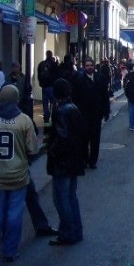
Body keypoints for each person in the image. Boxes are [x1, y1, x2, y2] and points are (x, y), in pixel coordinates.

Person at [0, 85, 38, 262]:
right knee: (14, 213)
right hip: (18, 175)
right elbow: (33, 150)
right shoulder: (24, 120)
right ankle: (10, 250)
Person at [46, 78, 85, 246]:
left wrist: (52, 151)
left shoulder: (61, 110)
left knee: (61, 198)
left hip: (63, 162)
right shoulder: (73, 108)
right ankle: (75, 230)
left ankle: (67, 232)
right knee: (71, 197)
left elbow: (63, 138)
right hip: (74, 159)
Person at [72, 57, 110, 169]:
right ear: (84, 67)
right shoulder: (79, 79)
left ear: (94, 66)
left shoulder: (100, 78)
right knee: (84, 138)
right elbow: (75, 97)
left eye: (91, 65)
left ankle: (93, 161)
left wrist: (106, 111)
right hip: (83, 114)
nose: (89, 67)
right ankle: (84, 159)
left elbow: (105, 96)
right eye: (87, 65)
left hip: (96, 114)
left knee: (95, 139)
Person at [37, 50, 58, 123]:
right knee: (54, 102)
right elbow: (56, 75)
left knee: (45, 103)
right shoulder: (54, 64)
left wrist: (41, 84)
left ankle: (46, 116)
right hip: (52, 86)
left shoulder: (41, 64)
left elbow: (39, 75)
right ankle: (53, 116)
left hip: (44, 86)